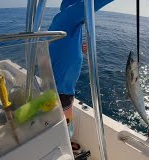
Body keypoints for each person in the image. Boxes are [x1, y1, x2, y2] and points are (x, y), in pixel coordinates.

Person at [48, 0, 113, 147]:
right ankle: (62, 146)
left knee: (66, 122)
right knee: (64, 125)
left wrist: (78, 50)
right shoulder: (67, 17)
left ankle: (65, 141)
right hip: (61, 90)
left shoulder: (71, 25)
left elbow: (62, 50)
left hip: (64, 88)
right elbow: (89, 5)